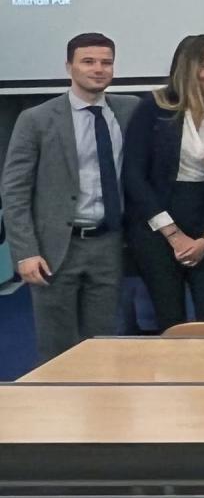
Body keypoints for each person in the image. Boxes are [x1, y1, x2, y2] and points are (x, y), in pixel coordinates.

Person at [3, 34, 140, 361]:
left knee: (104, 344)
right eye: (88, 61)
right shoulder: (36, 119)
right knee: (57, 350)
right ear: (69, 67)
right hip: (54, 249)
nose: (98, 69)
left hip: (108, 244)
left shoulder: (130, 109)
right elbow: (15, 189)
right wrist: (26, 252)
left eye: (106, 62)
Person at [123, 35, 204, 328]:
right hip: (158, 230)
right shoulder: (153, 107)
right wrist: (174, 235)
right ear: (187, 68)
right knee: (170, 321)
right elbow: (134, 175)